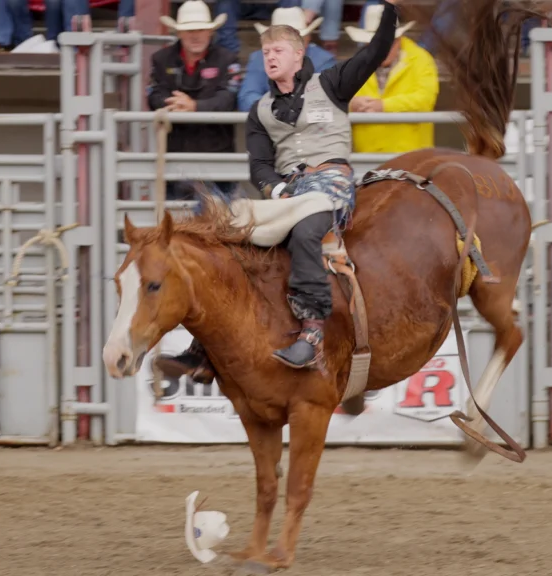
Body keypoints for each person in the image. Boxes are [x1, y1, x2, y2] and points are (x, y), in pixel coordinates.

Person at [155, 0, 399, 379]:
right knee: (227, 226)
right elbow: (260, 165)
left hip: (330, 184)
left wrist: (390, 9)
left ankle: (313, 333)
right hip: (291, 190)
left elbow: (374, 53)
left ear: (299, 55)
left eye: (278, 50)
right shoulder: (261, 111)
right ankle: (202, 347)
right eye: (265, 51)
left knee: (305, 231)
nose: (269, 56)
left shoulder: (332, 83)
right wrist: (275, 190)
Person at [148, 0, 241, 205]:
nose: (195, 35)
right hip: (176, 157)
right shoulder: (161, 59)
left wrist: (194, 107)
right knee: (179, 226)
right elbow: (153, 95)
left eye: (200, 29)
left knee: (225, 225)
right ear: (179, 33)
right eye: (189, 30)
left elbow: (229, 99)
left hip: (218, 157)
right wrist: (173, 103)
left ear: (210, 32)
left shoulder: (228, 59)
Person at [345, 4, 438, 154]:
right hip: (367, 157)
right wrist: (351, 104)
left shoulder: (421, 60)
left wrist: (384, 106)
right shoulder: (355, 64)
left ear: (398, 39)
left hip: (411, 159)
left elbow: (425, 99)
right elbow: (337, 98)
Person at [237, 7, 335, 112]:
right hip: (270, 121)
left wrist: (280, 109)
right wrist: (276, 109)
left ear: (308, 38)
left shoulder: (324, 60)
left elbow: (325, 98)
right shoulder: (258, 59)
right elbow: (246, 97)